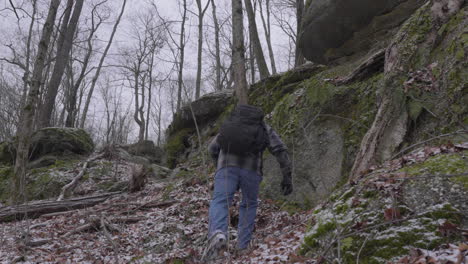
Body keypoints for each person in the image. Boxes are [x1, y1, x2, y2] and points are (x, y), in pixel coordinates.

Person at [202, 104, 293, 261]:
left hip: (226, 168)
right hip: (252, 171)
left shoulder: (231, 125)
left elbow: (212, 148)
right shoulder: (262, 126)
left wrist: (219, 166)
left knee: (221, 201)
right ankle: (243, 247)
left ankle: (217, 234)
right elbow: (280, 149)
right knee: (249, 204)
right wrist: (287, 176)